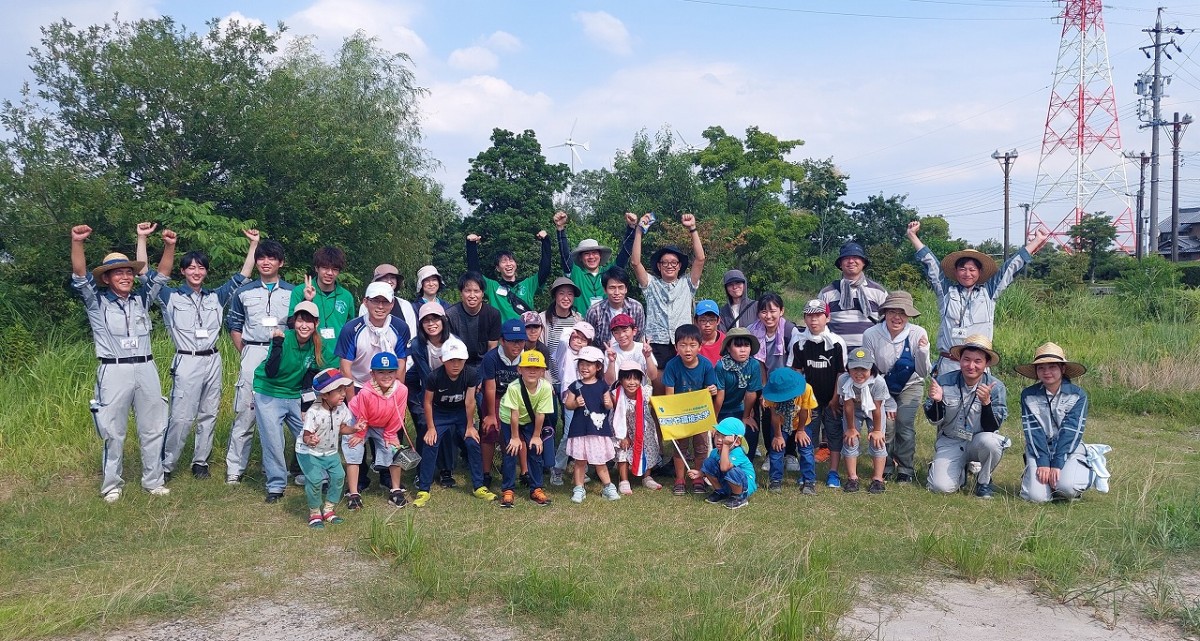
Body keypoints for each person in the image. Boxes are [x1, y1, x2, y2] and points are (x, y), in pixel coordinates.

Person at [71, 222, 175, 502]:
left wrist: (169, 246)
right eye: (119, 273)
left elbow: (163, 274)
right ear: (107, 278)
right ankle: (112, 485)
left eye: (129, 271)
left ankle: (153, 481)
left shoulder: (141, 299)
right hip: (113, 369)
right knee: (112, 431)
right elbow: (80, 276)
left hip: (145, 367)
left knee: (153, 427)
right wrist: (77, 242)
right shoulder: (97, 302)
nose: (126, 277)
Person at [156, 228, 258, 480]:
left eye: (200, 268)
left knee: (209, 414)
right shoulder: (170, 296)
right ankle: (167, 464)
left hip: (213, 359)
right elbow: (152, 275)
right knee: (181, 416)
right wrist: (151, 242)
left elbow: (242, 276)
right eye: (190, 268)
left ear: (206, 271)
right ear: (182, 271)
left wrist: (254, 245)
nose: (196, 272)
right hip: (186, 359)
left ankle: (200, 462)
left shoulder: (216, 296)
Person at [906, 220, 1050, 373]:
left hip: (978, 367)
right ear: (955, 272)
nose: (967, 274)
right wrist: (912, 236)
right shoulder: (946, 291)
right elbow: (931, 264)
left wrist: (1037, 240)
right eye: (962, 269)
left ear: (979, 273)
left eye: (972, 270)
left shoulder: (989, 292)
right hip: (949, 364)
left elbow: (1011, 267)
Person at [225, 237, 294, 485]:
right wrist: (245, 352)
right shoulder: (244, 292)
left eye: (271, 258)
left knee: (278, 417)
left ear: (281, 263)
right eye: (261, 258)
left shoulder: (292, 292)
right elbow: (234, 325)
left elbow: (299, 327)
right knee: (245, 412)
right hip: (252, 353)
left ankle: (274, 468)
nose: (266, 262)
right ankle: (235, 468)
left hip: (283, 355)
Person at [924, 334, 1009, 499]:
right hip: (950, 440)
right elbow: (934, 420)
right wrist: (937, 402)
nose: (971, 366)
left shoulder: (996, 387)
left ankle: (984, 481)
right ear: (959, 360)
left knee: (992, 442)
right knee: (940, 487)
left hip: (979, 441)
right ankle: (958, 472)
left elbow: (992, 428)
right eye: (966, 359)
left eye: (978, 361)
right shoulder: (943, 381)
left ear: (986, 363)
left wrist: (986, 404)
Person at [255, 301, 324, 504]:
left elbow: (309, 377)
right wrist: (276, 345)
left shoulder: (317, 344)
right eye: (300, 320)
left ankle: (319, 476)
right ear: (294, 321)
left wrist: (305, 407)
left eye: (309, 321)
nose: (304, 325)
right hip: (269, 391)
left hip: (294, 394)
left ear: (316, 324)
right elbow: (271, 371)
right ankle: (276, 485)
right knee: (274, 441)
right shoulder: (283, 339)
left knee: (309, 433)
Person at [861, 291, 931, 484]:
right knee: (887, 426)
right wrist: (888, 399)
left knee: (904, 425)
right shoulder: (871, 334)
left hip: (911, 384)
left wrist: (923, 352)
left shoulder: (918, 333)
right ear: (885, 313)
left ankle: (906, 469)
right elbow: (870, 369)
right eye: (892, 311)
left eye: (902, 312)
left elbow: (923, 372)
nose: (897, 317)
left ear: (909, 315)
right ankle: (887, 465)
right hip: (881, 384)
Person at [631, 213, 706, 383]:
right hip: (656, 342)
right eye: (665, 262)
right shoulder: (651, 284)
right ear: (659, 265)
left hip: (683, 342)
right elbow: (635, 263)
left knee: (681, 387)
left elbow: (700, 259)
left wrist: (692, 229)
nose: (669, 266)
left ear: (680, 266)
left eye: (674, 262)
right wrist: (639, 231)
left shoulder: (688, 283)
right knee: (658, 389)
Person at [1015, 343, 1093, 503]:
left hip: (1069, 449)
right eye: (1041, 368)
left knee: (1067, 488)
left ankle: (1082, 474)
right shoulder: (1028, 395)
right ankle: (1033, 475)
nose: (1047, 372)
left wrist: (1057, 463)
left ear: (1062, 369)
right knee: (1037, 498)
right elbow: (1032, 430)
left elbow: (1071, 431)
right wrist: (1043, 462)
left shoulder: (1078, 395)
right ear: (1036, 372)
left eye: (1052, 367)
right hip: (1040, 448)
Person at [414, 337, 486, 507]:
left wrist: (470, 426)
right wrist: (431, 427)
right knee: (430, 443)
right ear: (442, 360)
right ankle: (424, 489)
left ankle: (479, 486)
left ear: (465, 360)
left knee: (472, 442)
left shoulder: (471, 374)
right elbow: (427, 403)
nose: (455, 364)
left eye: (459, 360)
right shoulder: (434, 376)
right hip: (440, 413)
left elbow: (470, 401)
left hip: (461, 412)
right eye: (451, 360)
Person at [346, 351, 415, 510]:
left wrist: (390, 435)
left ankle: (396, 490)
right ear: (372, 374)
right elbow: (362, 414)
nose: (386, 376)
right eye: (381, 372)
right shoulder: (365, 391)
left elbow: (399, 413)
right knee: (353, 448)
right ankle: (354, 493)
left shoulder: (402, 390)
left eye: (390, 371)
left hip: (383, 423)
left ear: (396, 372)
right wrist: (360, 434)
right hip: (359, 420)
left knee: (394, 449)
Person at [791, 299, 847, 487]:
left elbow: (841, 372)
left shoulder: (837, 343)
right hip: (809, 402)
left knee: (834, 434)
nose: (813, 320)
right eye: (809, 315)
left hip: (832, 398)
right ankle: (808, 471)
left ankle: (833, 472)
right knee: (808, 434)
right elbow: (797, 372)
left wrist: (835, 397)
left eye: (818, 315)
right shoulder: (799, 342)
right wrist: (801, 401)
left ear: (827, 317)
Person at [406, 302, 460, 490]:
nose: (431, 324)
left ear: (443, 320)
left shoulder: (454, 342)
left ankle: (446, 469)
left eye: (435, 318)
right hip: (428, 386)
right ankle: (422, 472)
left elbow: (458, 372)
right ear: (420, 324)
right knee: (425, 424)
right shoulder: (417, 345)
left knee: (449, 427)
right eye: (426, 320)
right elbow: (426, 375)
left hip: (452, 387)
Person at [661, 323, 719, 495]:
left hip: (700, 414)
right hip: (680, 414)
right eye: (683, 345)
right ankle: (680, 479)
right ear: (676, 347)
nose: (687, 350)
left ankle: (699, 478)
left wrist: (713, 391)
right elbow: (669, 395)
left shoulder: (707, 365)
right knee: (680, 448)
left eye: (692, 345)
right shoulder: (672, 365)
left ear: (700, 347)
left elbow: (711, 391)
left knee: (701, 447)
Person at [746, 293, 801, 466]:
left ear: (782, 311)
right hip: (766, 381)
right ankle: (771, 453)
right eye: (763, 311)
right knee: (768, 414)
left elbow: (795, 360)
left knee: (790, 414)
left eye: (772, 311)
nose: (768, 316)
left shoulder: (790, 330)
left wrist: (789, 387)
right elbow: (757, 362)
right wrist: (764, 390)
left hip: (788, 379)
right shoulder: (752, 331)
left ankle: (791, 454)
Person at [297, 368, 356, 527]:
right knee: (315, 480)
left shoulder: (342, 408)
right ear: (324, 395)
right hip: (308, 451)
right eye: (338, 391)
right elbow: (306, 435)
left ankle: (329, 510)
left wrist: (355, 429)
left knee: (338, 476)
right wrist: (311, 440)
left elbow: (342, 429)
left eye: (344, 389)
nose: (343, 394)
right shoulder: (314, 412)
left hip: (329, 451)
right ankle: (315, 513)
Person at [498, 350, 555, 508]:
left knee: (535, 449)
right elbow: (514, 414)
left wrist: (536, 436)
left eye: (536, 368)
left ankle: (536, 488)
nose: (532, 371)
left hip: (530, 419)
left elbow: (540, 413)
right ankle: (508, 490)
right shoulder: (514, 387)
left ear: (542, 371)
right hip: (509, 418)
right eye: (527, 367)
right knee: (511, 450)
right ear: (519, 370)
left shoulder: (545, 387)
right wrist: (515, 438)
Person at [563, 346, 620, 503]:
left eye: (589, 364)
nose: (584, 367)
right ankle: (579, 488)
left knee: (600, 461)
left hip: (597, 430)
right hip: (580, 429)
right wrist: (575, 403)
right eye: (582, 363)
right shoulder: (576, 385)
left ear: (598, 366)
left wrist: (609, 403)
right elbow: (568, 404)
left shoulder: (602, 385)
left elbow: (609, 406)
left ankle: (608, 487)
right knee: (580, 462)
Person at [554, 210, 637, 314]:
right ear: (580, 257)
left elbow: (624, 254)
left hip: (607, 326)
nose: (591, 257)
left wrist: (631, 228)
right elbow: (565, 255)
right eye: (586, 254)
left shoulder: (609, 272)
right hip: (582, 326)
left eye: (594, 253)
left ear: (600, 255)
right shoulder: (575, 273)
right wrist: (560, 229)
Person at [480, 318, 530, 488]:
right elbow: (490, 387)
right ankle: (486, 473)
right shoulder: (491, 357)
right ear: (502, 341)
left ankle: (524, 472)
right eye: (512, 341)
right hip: (496, 396)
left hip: (519, 398)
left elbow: (531, 384)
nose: (517, 346)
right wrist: (491, 415)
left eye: (520, 341)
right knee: (490, 432)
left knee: (521, 433)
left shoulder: (527, 357)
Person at [465, 226, 553, 322]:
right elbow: (474, 274)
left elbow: (545, 269)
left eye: (511, 260)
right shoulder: (492, 287)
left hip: (525, 334)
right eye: (503, 262)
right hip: (502, 336)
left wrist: (546, 241)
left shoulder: (528, 284)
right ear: (498, 268)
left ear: (516, 264)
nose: (508, 264)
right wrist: (471, 246)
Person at [288, 246, 355, 368]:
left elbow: (350, 330)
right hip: (306, 361)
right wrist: (307, 300)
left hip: (336, 362)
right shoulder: (300, 291)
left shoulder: (346, 296)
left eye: (334, 269)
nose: (329, 273)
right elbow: (291, 324)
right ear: (316, 268)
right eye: (325, 268)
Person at [839, 347, 893, 494]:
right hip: (853, 410)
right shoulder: (844, 380)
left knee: (878, 441)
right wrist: (851, 428)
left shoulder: (878, 382)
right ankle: (852, 478)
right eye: (854, 368)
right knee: (850, 439)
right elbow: (848, 406)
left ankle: (878, 479)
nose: (859, 373)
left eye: (863, 369)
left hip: (873, 410)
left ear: (871, 368)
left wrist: (876, 430)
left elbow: (876, 408)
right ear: (848, 368)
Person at [817, 241, 889, 349]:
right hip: (836, 354)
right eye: (846, 258)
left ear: (863, 262)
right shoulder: (827, 293)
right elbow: (818, 323)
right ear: (840, 264)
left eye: (856, 257)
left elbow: (888, 322)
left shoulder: (878, 291)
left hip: (870, 354)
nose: (851, 261)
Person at [609, 359, 663, 493]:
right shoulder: (616, 395)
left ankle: (647, 476)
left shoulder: (646, 392)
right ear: (621, 380)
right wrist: (624, 435)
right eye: (628, 379)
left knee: (648, 447)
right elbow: (617, 416)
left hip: (643, 427)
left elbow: (658, 404)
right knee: (623, 449)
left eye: (636, 379)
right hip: (622, 427)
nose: (632, 383)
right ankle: (624, 480)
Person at [761, 368, 818, 494]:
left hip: (802, 424)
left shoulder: (806, 389)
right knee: (776, 449)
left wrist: (801, 430)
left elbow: (804, 410)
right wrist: (777, 435)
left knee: (806, 449)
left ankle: (809, 481)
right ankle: (775, 480)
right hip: (780, 425)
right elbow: (774, 414)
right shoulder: (772, 393)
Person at [688, 416, 757, 510]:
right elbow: (711, 468)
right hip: (728, 482)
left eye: (724, 436)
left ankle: (738, 497)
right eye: (717, 435)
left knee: (732, 470)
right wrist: (700, 473)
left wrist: (726, 445)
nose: (719, 439)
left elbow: (725, 468)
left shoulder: (738, 452)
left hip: (744, 486)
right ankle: (720, 492)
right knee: (708, 462)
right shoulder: (714, 452)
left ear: (737, 441)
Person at [713, 327, 763, 439]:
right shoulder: (721, 366)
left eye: (746, 345)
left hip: (740, 408)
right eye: (738, 346)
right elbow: (720, 394)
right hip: (721, 410)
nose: (743, 350)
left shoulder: (753, 365)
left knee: (750, 430)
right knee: (720, 436)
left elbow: (751, 393)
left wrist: (746, 416)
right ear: (728, 348)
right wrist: (714, 419)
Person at [444, 271, 501, 368]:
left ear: (482, 293)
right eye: (467, 291)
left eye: (476, 291)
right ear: (461, 293)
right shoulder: (450, 315)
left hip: (484, 363)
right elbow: (449, 347)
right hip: (459, 364)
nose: (472, 295)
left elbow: (492, 348)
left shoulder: (493, 314)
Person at [584, 266, 646, 348]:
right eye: (612, 288)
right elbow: (589, 338)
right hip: (602, 355)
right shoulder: (594, 311)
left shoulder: (636, 308)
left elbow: (638, 335)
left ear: (626, 289)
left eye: (620, 287)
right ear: (605, 290)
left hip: (629, 354)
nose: (617, 292)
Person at [358, 264, 418, 339]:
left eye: (393, 278)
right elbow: (362, 333)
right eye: (385, 278)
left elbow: (411, 335)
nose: (389, 281)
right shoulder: (366, 305)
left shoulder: (405, 305)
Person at [603, 313, 658, 385]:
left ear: (634, 331)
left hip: (639, 392)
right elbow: (610, 382)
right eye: (616, 332)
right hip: (618, 393)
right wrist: (611, 362)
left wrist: (648, 357)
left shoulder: (643, 349)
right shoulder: (611, 352)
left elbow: (653, 376)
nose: (621, 335)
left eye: (625, 330)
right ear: (613, 334)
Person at [539, 276, 582, 363]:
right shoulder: (542, 319)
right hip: (548, 373)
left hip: (573, 373)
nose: (566, 298)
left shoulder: (578, 320)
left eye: (570, 294)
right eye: (561, 293)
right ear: (555, 295)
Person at [695, 299, 725, 366]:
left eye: (711, 320)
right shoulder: (690, 342)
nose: (707, 325)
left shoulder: (726, 342)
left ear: (718, 321)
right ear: (696, 321)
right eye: (703, 320)